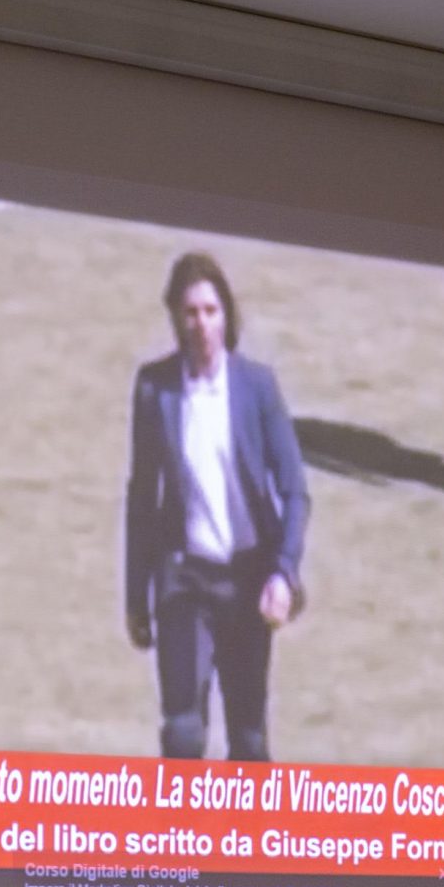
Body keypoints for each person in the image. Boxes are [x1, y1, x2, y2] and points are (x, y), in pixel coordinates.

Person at [124, 252, 309, 761]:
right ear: (175, 319)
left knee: (249, 740)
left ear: (226, 315)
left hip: (248, 579)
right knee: (183, 734)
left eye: (210, 310)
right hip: (185, 580)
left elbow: (295, 490)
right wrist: (136, 596)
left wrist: (284, 573)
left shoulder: (257, 387)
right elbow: (142, 497)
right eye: (190, 312)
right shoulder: (155, 388)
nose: (201, 324)